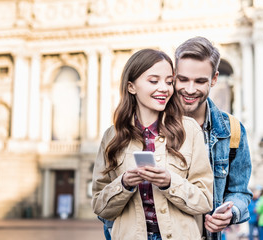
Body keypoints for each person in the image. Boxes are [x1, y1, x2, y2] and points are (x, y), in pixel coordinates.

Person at [91, 49, 214, 239]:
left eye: (169, 81)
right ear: (131, 87)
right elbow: (100, 207)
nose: (164, 88)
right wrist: (123, 184)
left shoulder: (189, 130)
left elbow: (205, 201)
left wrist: (170, 182)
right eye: (154, 81)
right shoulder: (112, 136)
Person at [174, 36, 253, 240]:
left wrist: (231, 211)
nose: (190, 90)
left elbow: (240, 192)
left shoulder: (233, 130)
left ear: (214, 79)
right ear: (173, 76)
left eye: (200, 81)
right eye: (183, 79)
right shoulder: (152, 125)